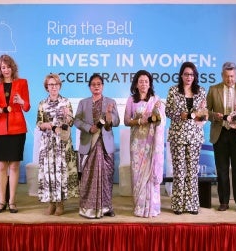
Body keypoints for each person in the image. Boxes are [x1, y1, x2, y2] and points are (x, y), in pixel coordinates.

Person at [0, 54, 30, 214]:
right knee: (1, 165)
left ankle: (12, 201)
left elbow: (27, 107)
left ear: (13, 67)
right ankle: (1, 201)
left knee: (15, 165)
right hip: (0, 128)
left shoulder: (22, 83)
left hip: (18, 127)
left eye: (8, 66)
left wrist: (21, 102)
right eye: (3, 67)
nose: (6, 70)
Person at [206, 61, 236, 212]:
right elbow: (206, 112)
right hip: (220, 133)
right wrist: (215, 116)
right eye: (226, 76)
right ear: (222, 76)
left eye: (232, 76)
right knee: (222, 169)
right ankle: (223, 201)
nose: (229, 79)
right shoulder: (213, 89)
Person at [73, 73, 120, 219]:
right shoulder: (83, 103)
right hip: (89, 143)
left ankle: (106, 207)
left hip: (105, 145)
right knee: (87, 177)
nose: (96, 86)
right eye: (93, 84)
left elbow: (117, 121)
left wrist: (109, 117)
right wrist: (88, 128)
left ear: (103, 86)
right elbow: (76, 121)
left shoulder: (110, 102)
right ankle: (87, 207)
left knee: (106, 176)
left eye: (99, 84)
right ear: (89, 87)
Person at [165, 62, 208, 215]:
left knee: (192, 171)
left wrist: (202, 113)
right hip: (178, 135)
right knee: (179, 171)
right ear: (181, 75)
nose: (189, 77)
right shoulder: (173, 91)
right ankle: (178, 205)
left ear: (195, 76)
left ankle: (191, 205)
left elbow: (204, 115)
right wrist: (180, 115)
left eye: (191, 74)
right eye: (186, 74)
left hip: (195, 136)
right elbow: (168, 112)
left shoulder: (201, 92)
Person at [124, 70, 165, 218]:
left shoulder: (155, 100)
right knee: (137, 174)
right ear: (136, 83)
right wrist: (141, 120)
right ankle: (140, 207)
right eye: (141, 81)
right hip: (137, 143)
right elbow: (126, 121)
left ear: (150, 84)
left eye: (146, 81)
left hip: (151, 142)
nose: (143, 84)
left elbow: (160, 120)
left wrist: (157, 111)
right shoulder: (131, 100)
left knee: (150, 172)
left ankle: (152, 208)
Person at [36, 73, 78, 216]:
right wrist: (49, 126)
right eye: (51, 85)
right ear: (46, 87)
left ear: (60, 86)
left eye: (56, 84)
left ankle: (60, 204)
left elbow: (71, 122)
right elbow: (39, 123)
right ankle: (51, 203)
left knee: (60, 172)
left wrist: (67, 115)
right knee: (49, 172)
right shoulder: (42, 103)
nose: (53, 87)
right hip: (48, 143)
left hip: (62, 143)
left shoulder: (65, 102)